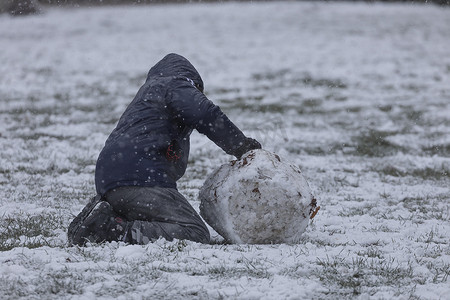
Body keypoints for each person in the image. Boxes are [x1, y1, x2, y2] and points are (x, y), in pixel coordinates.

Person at [68, 53, 261, 246]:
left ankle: (103, 217)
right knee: (194, 232)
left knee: (154, 217)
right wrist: (241, 146)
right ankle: (113, 230)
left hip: (112, 180)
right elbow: (206, 113)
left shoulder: (148, 95)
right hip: (140, 179)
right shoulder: (175, 85)